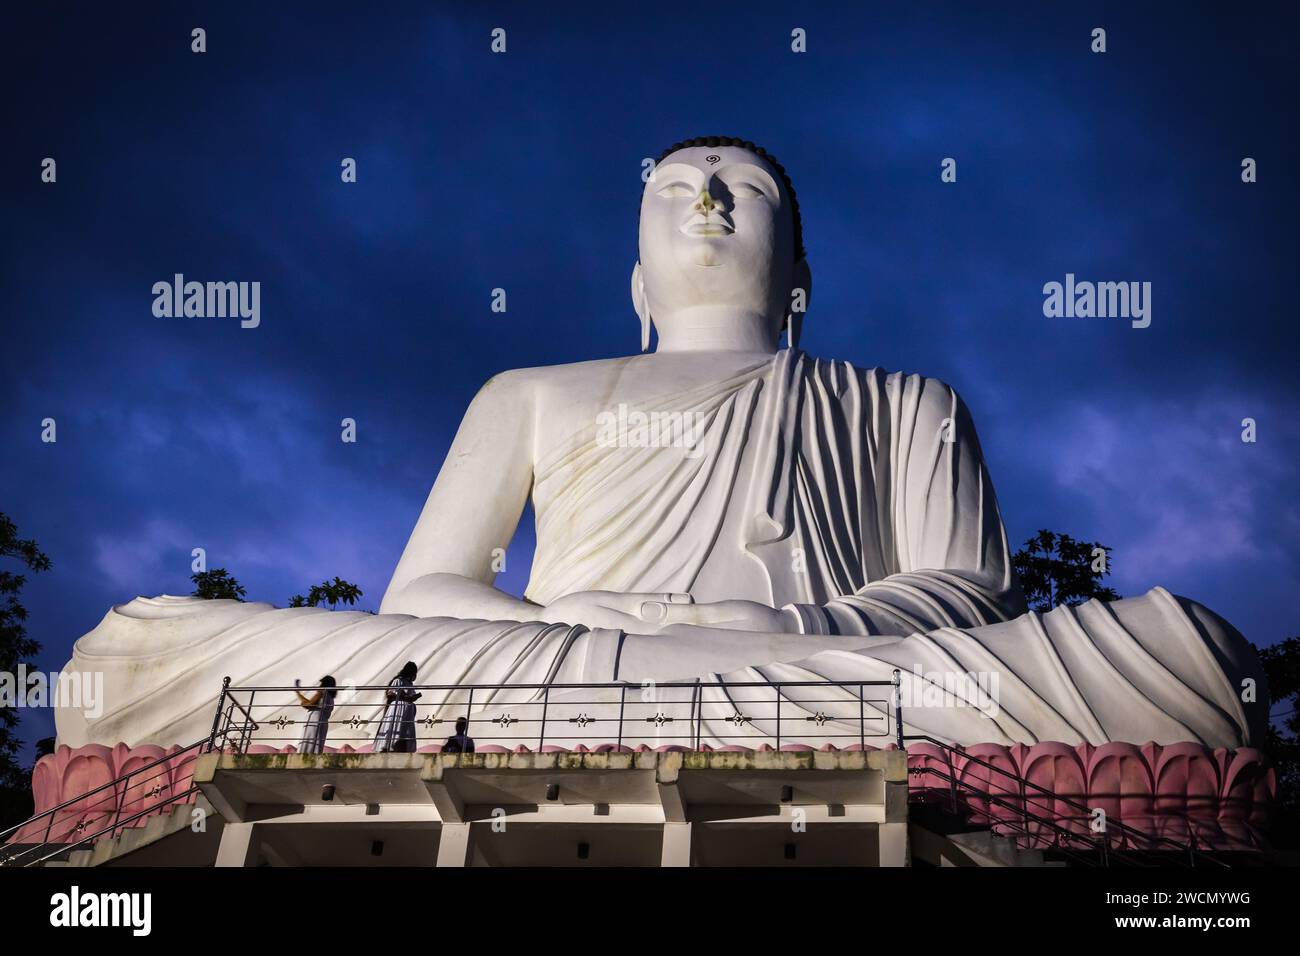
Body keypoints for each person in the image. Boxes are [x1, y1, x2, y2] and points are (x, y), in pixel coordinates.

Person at [374, 662, 421, 753]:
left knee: (403, 729)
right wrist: (403, 696)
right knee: (396, 727)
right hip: (398, 708)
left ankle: (402, 748)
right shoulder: (399, 680)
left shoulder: (409, 683)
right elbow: (390, 693)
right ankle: (391, 747)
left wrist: (412, 698)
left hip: (407, 711)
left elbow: (411, 694)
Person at [294, 675, 337, 753]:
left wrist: (302, 703)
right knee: (316, 745)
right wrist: (298, 693)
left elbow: (309, 705)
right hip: (323, 721)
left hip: (314, 720)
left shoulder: (322, 692)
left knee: (308, 744)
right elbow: (311, 702)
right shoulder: (330, 698)